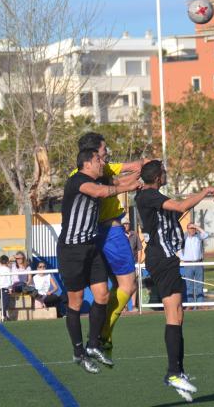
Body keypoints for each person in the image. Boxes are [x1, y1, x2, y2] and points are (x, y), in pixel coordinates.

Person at [135, 160, 214, 402]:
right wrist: (205, 191)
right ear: (157, 176)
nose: (166, 174)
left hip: (166, 257)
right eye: (163, 172)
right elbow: (182, 205)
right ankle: (174, 373)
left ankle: (176, 371)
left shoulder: (153, 195)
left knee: (178, 315)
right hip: (161, 257)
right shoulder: (149, 196)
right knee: (173, 314)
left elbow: (176, 210)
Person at [58, 148, 141, 374]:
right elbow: (101, 192)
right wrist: (127, 187)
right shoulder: (78, 180)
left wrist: (141, 171)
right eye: (98, 159)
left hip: (91, 247)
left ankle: (93, 344)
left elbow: (113, 181)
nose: (101, 162)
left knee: (102, 295)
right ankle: (78, 352)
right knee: (74, 303)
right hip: (72, 250)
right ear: (86, 163)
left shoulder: (98, 178)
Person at [74, 132, 149, 357]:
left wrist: (142, 168)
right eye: (104, 149)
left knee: (104, 292)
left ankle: (95, 339)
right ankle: (102, 335)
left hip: (89, 237)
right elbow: (115, 183)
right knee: (127, 285)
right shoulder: (92, 175)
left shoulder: (88, 172)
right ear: (95, 153)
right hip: (110, 232)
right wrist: (139, 175)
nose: (107, 153)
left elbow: (127, 169)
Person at [180, 223, 209, 306]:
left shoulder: (198, 236)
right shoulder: (183, 237)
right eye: (191, 228)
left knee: (199, 285)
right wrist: (182, 257)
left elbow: (206, 235)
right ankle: (190, 305)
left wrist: (197, 227)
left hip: (198, 263)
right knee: (189, 286)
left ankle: (200, 304)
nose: (192, 230)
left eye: (194, 228)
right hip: (188, 264)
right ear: (187, 229)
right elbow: (177, 247)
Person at [123, 217, 143, 312]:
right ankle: (125, 306)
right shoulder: (119, 235)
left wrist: (139, 262)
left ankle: (134, 305)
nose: (125, 225)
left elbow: (139, 249)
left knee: (134, 284)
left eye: (127, 224)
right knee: (124, 285)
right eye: (124, 224)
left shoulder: (135, 234)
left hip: (133, 264)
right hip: (122, 264)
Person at [0, 255, 12, 321]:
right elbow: (9, 280)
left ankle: (5, 316)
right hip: (5, 288)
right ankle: (3, 316)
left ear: (0, 262)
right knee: (5, 303)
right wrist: (10, 288)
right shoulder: (8, 269)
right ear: (7, 262)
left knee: (3, 302)